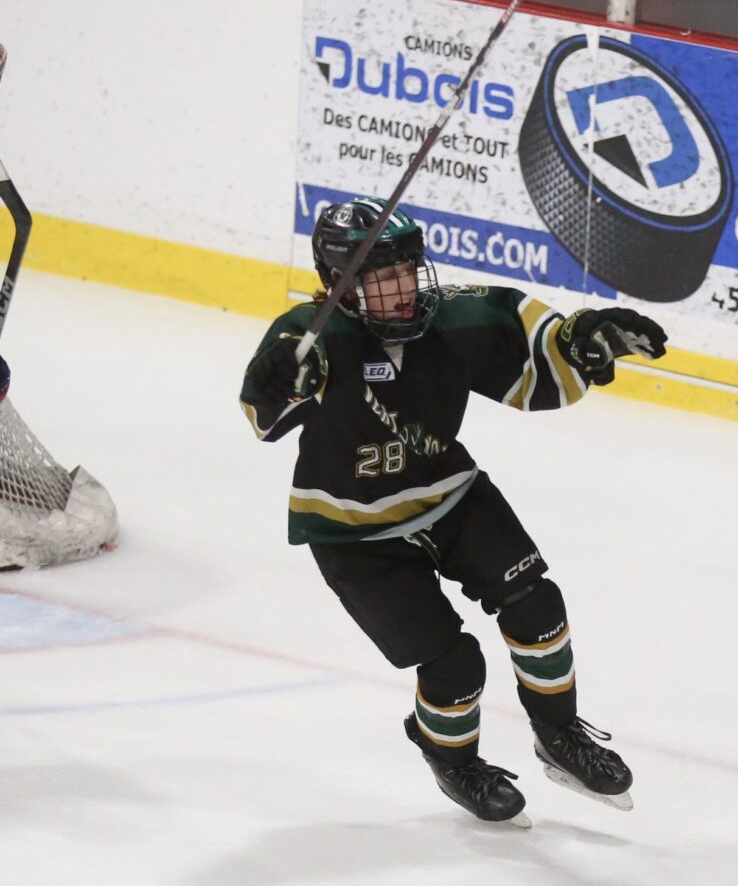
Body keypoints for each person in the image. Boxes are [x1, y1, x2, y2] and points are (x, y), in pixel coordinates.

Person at [239, 197, 667, 824]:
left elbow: (534, 350)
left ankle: (559, 732)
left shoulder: (452, 318)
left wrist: (581, 339)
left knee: (536, 604)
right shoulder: (311, 338)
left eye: (408, 271)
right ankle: (452, 758)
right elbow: (263, 416)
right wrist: (280, 382)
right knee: (454, 665)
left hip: (451, 495)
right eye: (382, 278)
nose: (403, 290)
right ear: (340, 285)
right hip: (354, 535)